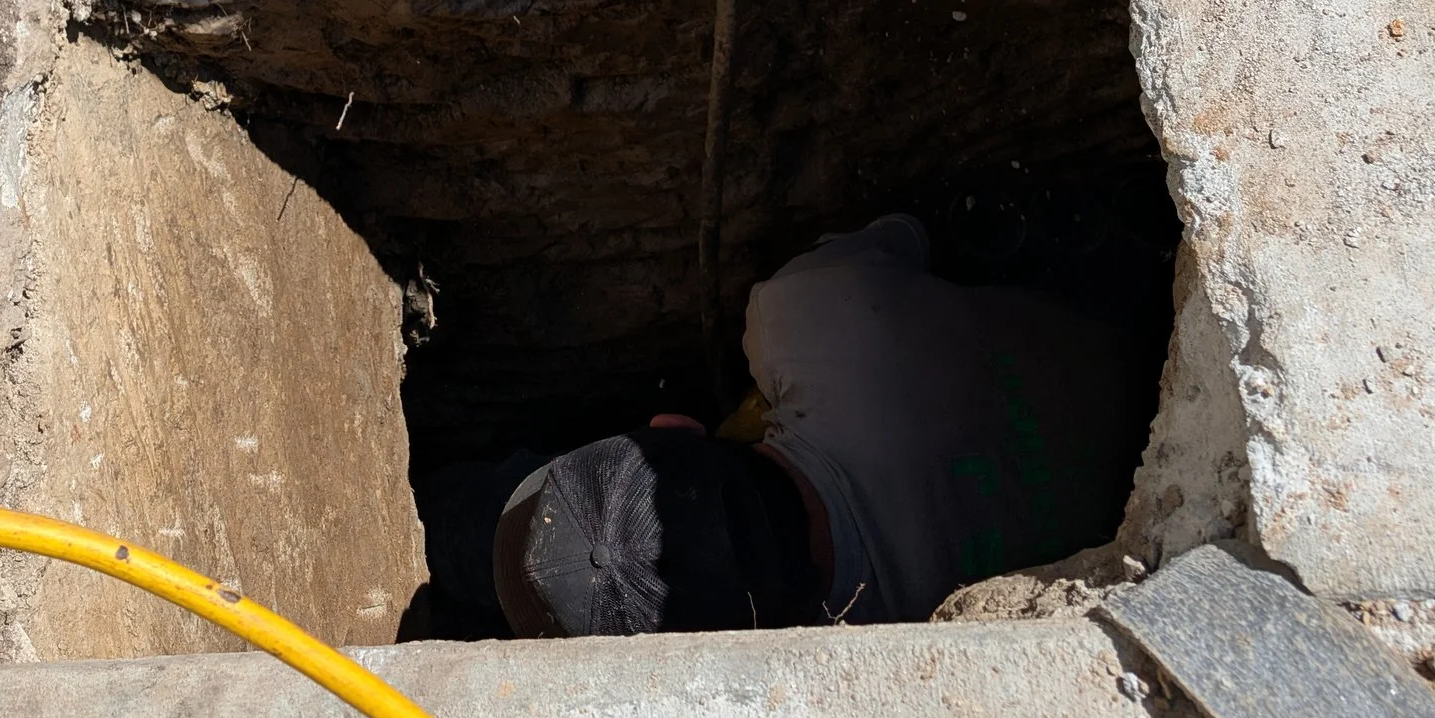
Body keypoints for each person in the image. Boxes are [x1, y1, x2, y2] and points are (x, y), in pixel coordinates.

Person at [422, 214, 1149, 636]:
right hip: (1130, 329)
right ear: (675, 426)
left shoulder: (874, 652)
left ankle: (431, 523)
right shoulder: (810, 315)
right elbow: (913, 233)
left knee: (489, 524)